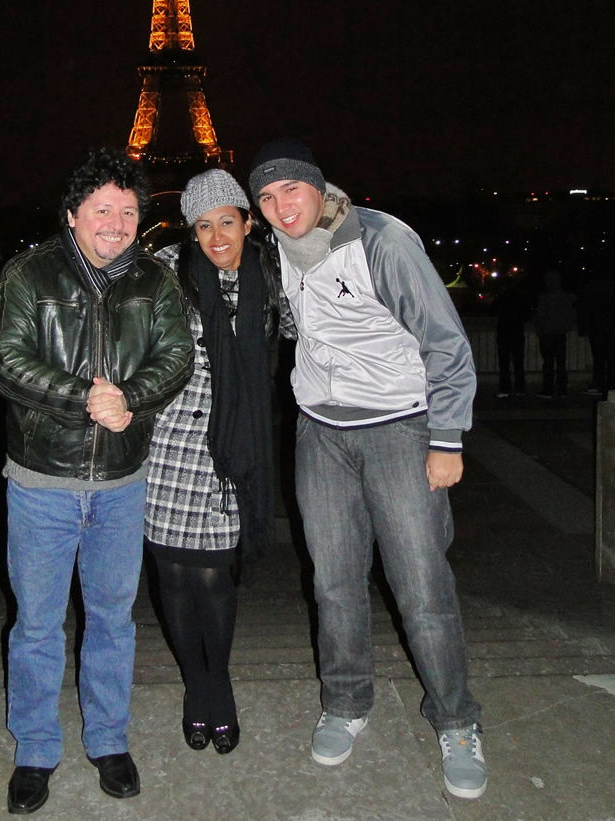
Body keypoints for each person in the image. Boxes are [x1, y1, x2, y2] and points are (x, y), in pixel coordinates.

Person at [249, 138, 486, 801]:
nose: (278, 206)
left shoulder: (382, 239)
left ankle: (457, 719)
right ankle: (347, 700)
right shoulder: (278, 253)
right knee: (333, 580)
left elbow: (445, 340)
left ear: (320, 188)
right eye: (265, 197)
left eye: (289, 190)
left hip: (399, 428)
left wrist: (447, 437)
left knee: (420, 582)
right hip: (320, 431)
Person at [0, 148, 193, 814]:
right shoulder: (26, 275)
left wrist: (129, 397)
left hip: (122, 483)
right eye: (101, 208)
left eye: (127, 210)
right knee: (39, 626)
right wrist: (84, 397)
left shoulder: (156, 282)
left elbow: (178, 356)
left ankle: (108, 739)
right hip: (42, 480)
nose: (115, 221)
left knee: (112, 620)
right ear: (72, 214)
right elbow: (3, 358)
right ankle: (36, 750)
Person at [144, 169, 293, 756]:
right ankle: (195, 686)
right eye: (202, 226)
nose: (216, 236)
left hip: (234, 446)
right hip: (170, 443)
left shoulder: (274, 277)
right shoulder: (165, 275)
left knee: (214, 574)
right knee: (174, 576)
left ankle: (219, 681)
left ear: (247, 222)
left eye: (226, 221)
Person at [576, 262, 615, 397]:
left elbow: (584, 309)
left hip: (597, 328)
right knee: (610, 358)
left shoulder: (591, 288)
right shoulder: (610, 287)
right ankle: (610, 384)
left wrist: (584, 327)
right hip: (609, 328)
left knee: (599, 358)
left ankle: (599, 384)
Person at [534, 270, 575, 398]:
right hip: (560, 334)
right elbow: (570, 315)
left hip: (547, 334)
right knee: (561, 363)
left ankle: (548, 389)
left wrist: (540, 330)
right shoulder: (565, 296)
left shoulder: (544, 297)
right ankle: (562, 389)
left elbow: (540, 316)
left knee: (548, 363)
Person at [491, 276, 531, 398]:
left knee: (504, 364)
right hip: (517, 333)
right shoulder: (520, 299)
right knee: (518, 362)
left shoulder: (501, 299)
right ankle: (520, 388)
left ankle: (505, 389)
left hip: (504, 333)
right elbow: (527, 315)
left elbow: (492, 311)